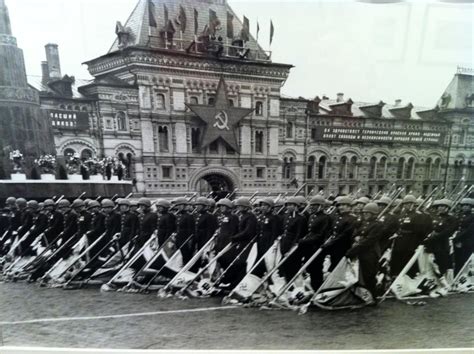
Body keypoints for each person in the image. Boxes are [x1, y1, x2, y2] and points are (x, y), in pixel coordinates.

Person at [346, 202, 384, 299]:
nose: (365, 215)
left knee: (369, 275)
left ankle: (372, 297)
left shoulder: (377, 225)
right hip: (361, 251)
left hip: (370, 252)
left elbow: (369, 241)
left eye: (368, 213)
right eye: (364, 213)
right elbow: (354, 233)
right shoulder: (363, 223)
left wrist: (354, 250)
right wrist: (356, 238)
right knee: (360, 275)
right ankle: (363, 295)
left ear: (374, 214)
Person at [390, 194, 432, 277]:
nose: (408, 205)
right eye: (406, 204)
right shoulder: (402, 214)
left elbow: (421, 231)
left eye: (410, 203)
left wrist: (416, 240)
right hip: (400, 241)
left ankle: (409, 278)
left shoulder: (418, 215)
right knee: (398, 260)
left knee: (409, 261)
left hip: (411, 242)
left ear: (414, 204)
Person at [423, 199, 458, 297]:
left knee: (442, 265)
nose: (440, 208)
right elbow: (429, 229)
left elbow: (448, 231)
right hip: (432, 244)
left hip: (443, 244)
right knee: (432, 264)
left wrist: (434, 236)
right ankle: (436, 285)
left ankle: (445, 285)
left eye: (443, 206)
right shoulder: (435, 217)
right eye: (439, 206)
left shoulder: (452, 219)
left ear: (448, 208)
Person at [297, 195, 332, 290]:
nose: (312, 207)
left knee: (317, 269)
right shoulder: (312, 216)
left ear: (321, 206)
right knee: (310, 268)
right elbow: (310, 231)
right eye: (311, 205)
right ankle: (313, 287)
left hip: (318, 246)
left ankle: (317, 288)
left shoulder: (325, 218)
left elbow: (321, 234)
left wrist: (305, 241)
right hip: (310, 247)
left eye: (315, 205)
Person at [323, 196, 357, 271]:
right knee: (333, 263)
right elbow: (331, 230)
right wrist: (327, 240)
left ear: (349, 207)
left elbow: (345, 234)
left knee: (339, 267)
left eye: (344, 205)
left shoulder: (352, 218)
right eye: (340, 205)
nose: (341, 207)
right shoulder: (337, 217)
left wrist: (331, 242)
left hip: (343, 246)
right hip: (334, 246)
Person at [453, 198, 474, 275]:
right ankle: (456, 277)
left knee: (465, 261)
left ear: (471, 207)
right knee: (457, 261)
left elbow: (469, 231)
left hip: (467, 242)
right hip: (458, 242)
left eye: (467, 205)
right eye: (463, 205)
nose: (464, 207)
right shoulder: (460, 216)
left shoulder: (472, 217)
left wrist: (457, 238)